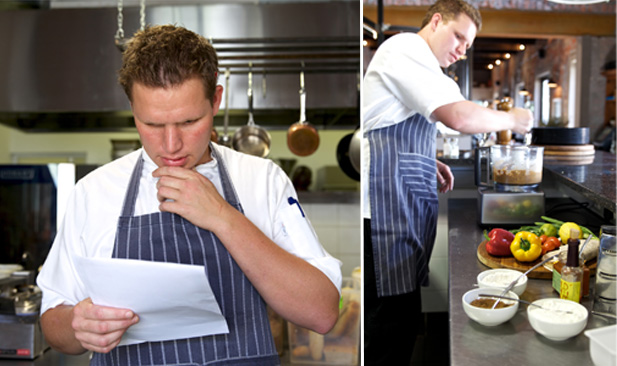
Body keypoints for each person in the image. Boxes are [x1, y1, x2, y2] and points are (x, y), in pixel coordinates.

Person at [37, 25, 342, 365]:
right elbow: (53, 320)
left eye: (188, 122)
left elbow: (322, 312)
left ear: (216, 100)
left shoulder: (262, 180)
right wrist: (78, 325)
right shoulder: (93, 192)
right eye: (151, 124)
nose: (171, 146)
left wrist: (223, 217)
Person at [362, 0, 533, 364]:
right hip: (382, 217)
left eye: (468, 45)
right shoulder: (405, 48)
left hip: (396, 210)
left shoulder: (426, 68)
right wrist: (512, 119)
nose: (461, 49)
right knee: (390, 326)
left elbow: (390, 127)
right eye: (458, 36)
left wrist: (427, 160)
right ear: (436, 21)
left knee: (401, 319)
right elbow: (458, 116)